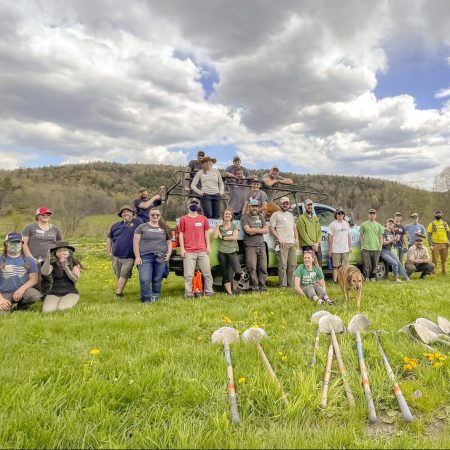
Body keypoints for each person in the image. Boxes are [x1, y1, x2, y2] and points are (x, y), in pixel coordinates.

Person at [177, 197, 214, 298]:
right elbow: (180, 234)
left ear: (199, 206)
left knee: (207, 273)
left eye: (196, 203)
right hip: (189, 251)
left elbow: (206, 233)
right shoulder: (183, 219)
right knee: (188, 275)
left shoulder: (203, 218)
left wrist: (208, 246)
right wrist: (183, 248)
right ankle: (188, 293)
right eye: (192, 203)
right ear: (188, 205)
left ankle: (209, 291)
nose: (194, 205)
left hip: (202, 250)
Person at [133, 207, 172, 303]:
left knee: (157, 279)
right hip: (145, 257)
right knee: (144, 279)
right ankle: (146, 299)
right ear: (149, 215)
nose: (155, 216)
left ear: (160, 216)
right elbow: (135, 242)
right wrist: (137, 257)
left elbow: (169, 242)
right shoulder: (142, 227)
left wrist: (169, 254)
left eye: (157, 215)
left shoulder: (164, 228)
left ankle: (155, 295)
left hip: (160, 257)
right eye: (153, 215)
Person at [107, 205, 143, 298]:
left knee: (124, 274)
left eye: (128, 211)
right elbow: (109, 239)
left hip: (129, 256)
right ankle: (120, 290)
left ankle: (118, 293)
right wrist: (109, 251)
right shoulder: (115, 226)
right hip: (116, 255)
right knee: (118, 274)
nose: (126, 213)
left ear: (132, 213)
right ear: (121, 214)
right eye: (123, 212)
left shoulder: (137, 222)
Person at [0, 232, 41, 314]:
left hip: (22, 291)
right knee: (2, 314)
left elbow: (34, 279)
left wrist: (21, 289)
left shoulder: (29, 260)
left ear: (22, 244)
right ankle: (7, 306)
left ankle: (20, 308)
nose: (15, 244)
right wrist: (1, 299)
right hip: (4, 293)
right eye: (12, 242)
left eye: (18, 242)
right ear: (6, 243)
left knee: (35, 296)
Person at [41, 241, 82, 313]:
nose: (62, 252)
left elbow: (75, 279)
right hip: (53, 292)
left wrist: (66, 268)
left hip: (70, 292)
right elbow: (44, 272)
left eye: (65, 250)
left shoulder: (74, 264)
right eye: (59, 250)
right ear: (56, 253)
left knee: (62, 310)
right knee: (47, 311)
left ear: (69, 252)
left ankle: (70, 301)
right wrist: (47, 258)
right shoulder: (52, 264)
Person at [269, 196, 298, 288]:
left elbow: (294, 227)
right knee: (282, 265)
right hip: (282, 243)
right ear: (280, 204)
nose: (285, 205)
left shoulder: (290, 215)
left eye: (287, 203)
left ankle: (290, 284)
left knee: (292, 264)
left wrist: (296, 238)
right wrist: (279, 238)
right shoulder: (276, 215)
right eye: (284, 203)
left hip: (292, 243)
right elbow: (271, 228)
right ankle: (283, 285)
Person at [240, 199, 269, 292]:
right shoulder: (244, 218)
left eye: (256, 206)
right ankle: (254, 287)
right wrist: (259, 230)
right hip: (250, 246)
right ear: (249, 207)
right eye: (253, 206)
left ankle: (262, 286)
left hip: (261, 245)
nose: (255, 208)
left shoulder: (261, 217)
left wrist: (254, 230)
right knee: (252, 268)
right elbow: (248, 231)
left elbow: (266, 230)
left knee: (263, 267)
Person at [213, 208, 242, 295]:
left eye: (229, 214)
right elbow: (215, 236)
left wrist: (225, 237)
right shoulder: (220, 226)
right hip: (222, 252)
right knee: (225, 274)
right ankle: (230, 293)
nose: (227, 215)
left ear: (231, 216)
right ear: (223, 216)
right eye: (226, 214)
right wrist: (217, 226)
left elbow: (235, 237)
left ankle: (235, 287)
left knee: (238, 271)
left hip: (232, 251)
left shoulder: (234, 226)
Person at [359, 208, 384, 281]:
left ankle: (373, 277)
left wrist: (380, 247)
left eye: (373, 214)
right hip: (366, 248)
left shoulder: (379, 225)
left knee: (375, 264)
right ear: (368, 215)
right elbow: (361, 236)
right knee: (366, 265)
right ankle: (366, 278)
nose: (372, 215)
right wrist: (362, 245)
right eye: (370, 214)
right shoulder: (363, 224)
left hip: (376, 248)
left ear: (375, 215)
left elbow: (381, 237)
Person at [328, 208, 352, 283]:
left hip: (345, 249)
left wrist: (350, 247)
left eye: (342, 213)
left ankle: (344, 281)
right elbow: (330, 237)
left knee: (345, 267)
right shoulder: (332, 224)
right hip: (336, 249)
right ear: (336, 215)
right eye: (339, 213)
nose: (340, 215)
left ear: (344, 215)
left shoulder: (346, 223)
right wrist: (330, 249)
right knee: (335, 267)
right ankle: (335, 281)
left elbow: (349, 236)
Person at [297, 199, 323, 265]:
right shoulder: (301, 219)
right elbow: (303, 234)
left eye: (311, 205)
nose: (310, 206)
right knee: (309, 265)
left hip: (317, 245)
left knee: (319, 265)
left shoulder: (315, 218)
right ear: (305, 206)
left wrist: (317, 243)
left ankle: (319, 276)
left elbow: (320, 232)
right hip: (307, 245)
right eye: (308, 205)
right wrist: (312, 244)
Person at [427, 209, 450, 275]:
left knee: (444, 259)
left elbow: (448, 233)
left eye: (439, 214)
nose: (438, 215)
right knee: (435, 259)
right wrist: (430, 245)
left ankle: (444, 271)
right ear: (434, 215)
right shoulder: (431, 224)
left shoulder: (445, 224)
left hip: (444, 244)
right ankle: (434, 272)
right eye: (437, 214)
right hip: (435, 244)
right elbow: (429, 235)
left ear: (441, 215)